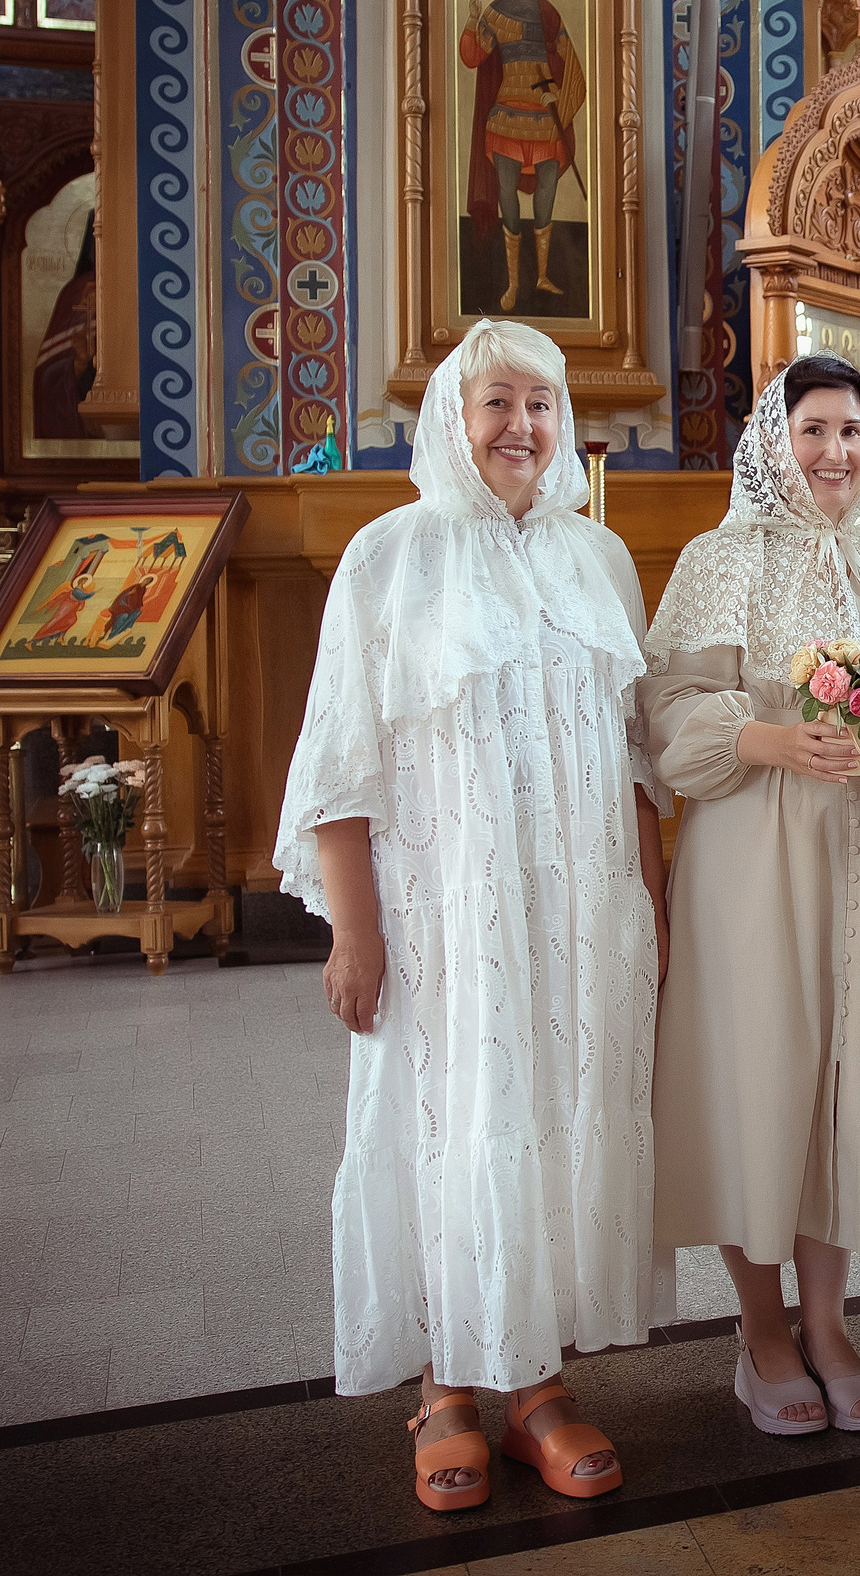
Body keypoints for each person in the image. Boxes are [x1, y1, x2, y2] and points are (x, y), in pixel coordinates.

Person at [273, 319, 669, 1513]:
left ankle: (537, 1386)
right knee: (458, 1123)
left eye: (541, 404)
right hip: (445, 914)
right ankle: (447, 1388)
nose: (521, 427)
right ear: (452, 415)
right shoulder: (387, 556)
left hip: (582, 911)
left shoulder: (599, 557)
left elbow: (633, 759)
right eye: (498, 402)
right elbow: (340, 762)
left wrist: (650, 910)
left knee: (558, 1115)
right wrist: (356, 931)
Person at [641, 354, 860, 1438]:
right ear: (774, 443)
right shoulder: (718, 557)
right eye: (813, 429)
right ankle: (761, 1330)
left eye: (852, 430)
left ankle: (828, 1322)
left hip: (859, 845)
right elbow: (664, 715)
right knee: (758, 1075)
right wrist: (771, 738)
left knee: (840, 1080)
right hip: (748, 845)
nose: (835, 451)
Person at [461, 0, 585, 314]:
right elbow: (472, 57)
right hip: (507, 117)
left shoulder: (550, 15)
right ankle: (514, 281)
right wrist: (472, 19)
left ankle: (542, 275)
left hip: (545, 119)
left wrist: (559, 92)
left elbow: (571, 63)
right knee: (507, 193)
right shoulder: (497, 12)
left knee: (547, 192)